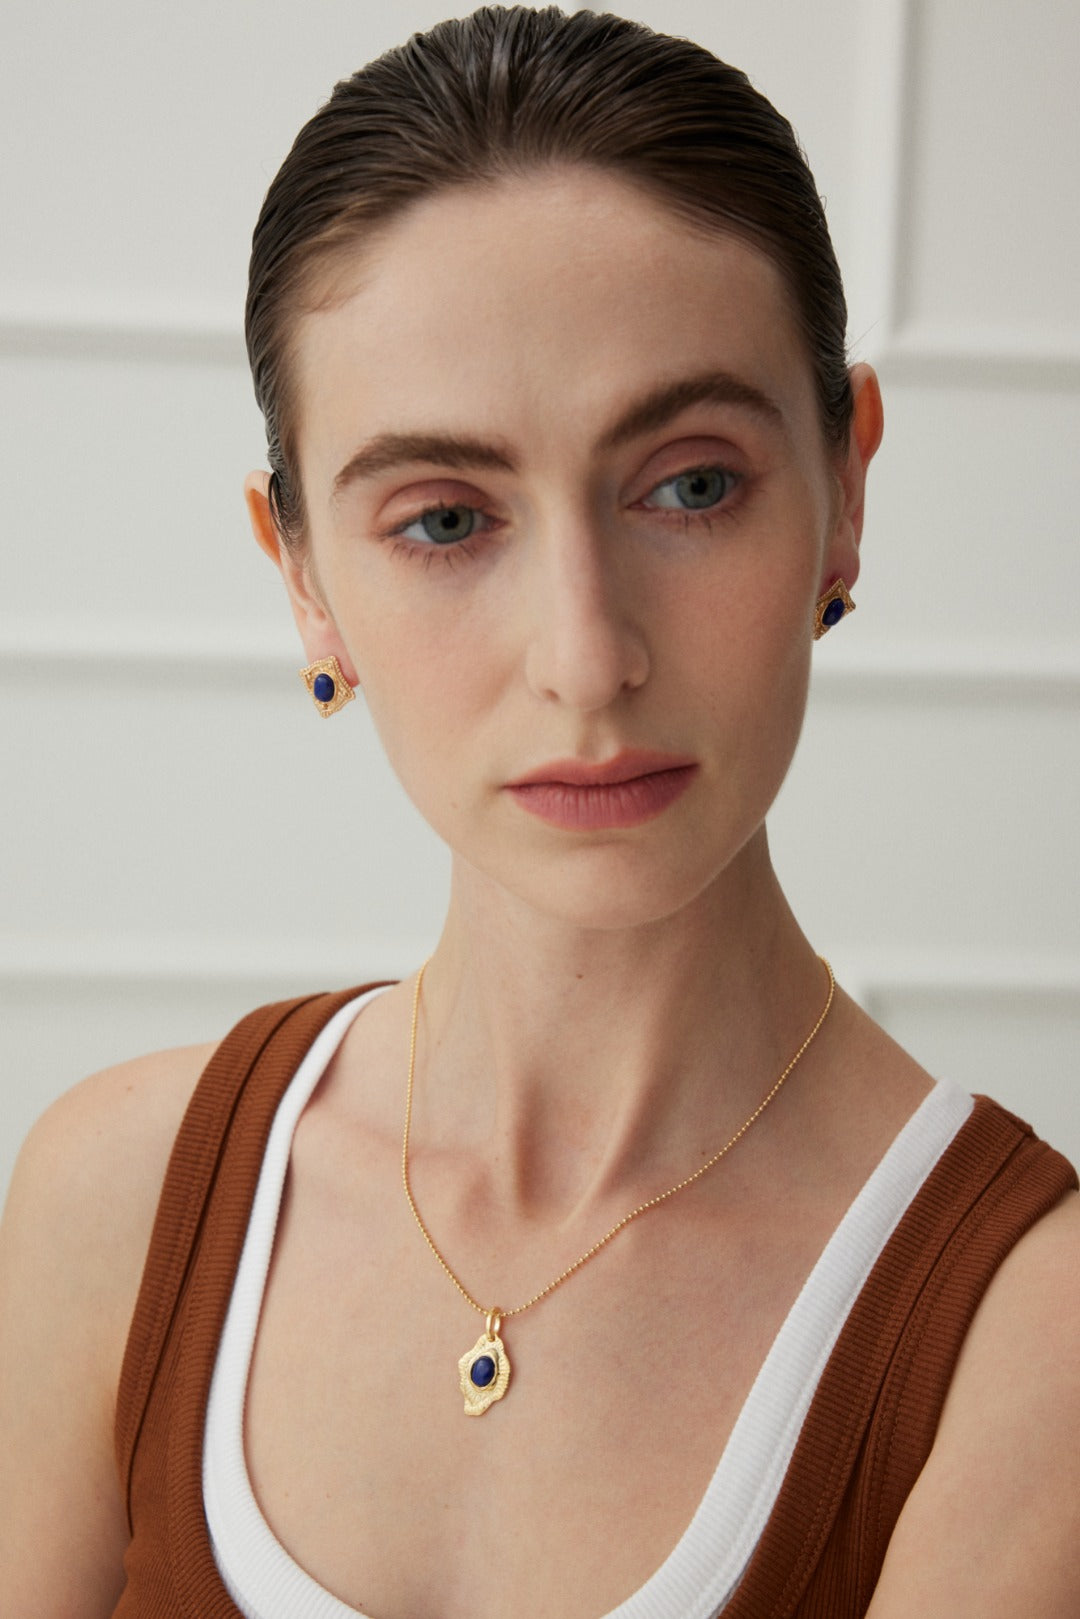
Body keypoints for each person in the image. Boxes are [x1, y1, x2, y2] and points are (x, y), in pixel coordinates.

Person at [2, 6, 1078, 1616]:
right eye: (444, 518)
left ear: (847, 490)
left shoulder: (1025, 1331)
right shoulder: (119, 1200)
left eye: (691, 484)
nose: (587, 658)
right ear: (302, 576)